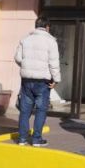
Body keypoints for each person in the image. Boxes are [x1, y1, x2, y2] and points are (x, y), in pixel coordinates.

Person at [14, 17, 60, 147]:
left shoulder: (25, 39)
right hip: (42, 81)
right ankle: (36, 139)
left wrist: (27, 65)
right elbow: (54, 63)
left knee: (25, 110)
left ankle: (22, 139)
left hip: (26, 80)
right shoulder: (51, 41)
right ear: (47, 27)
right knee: (41, 110)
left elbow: (17, 58)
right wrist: (56, 79)